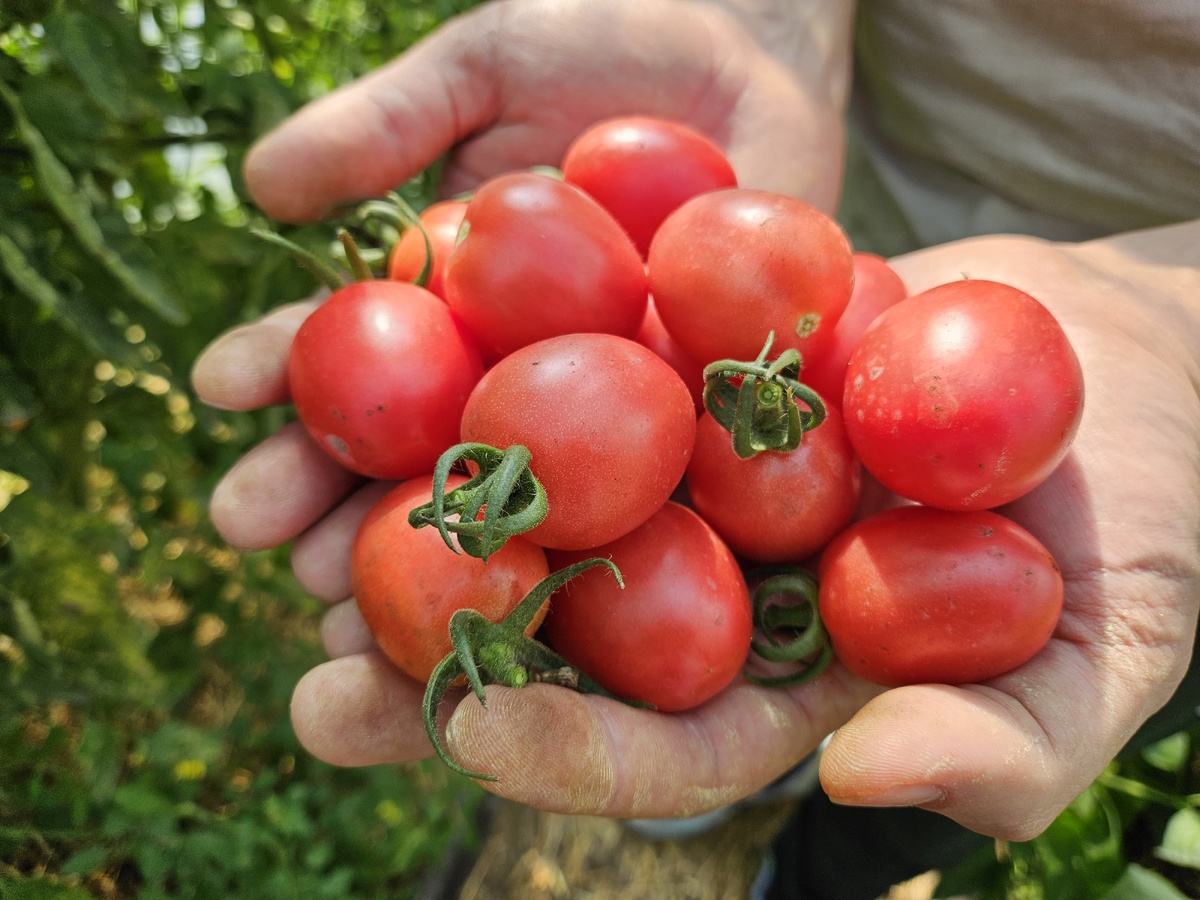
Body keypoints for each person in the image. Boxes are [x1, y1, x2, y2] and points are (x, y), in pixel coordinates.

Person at [190, 1, 1200, 896]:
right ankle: (715, 801)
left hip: (1029, 316)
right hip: (853, 219)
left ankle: (791, 869)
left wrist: (1174, 324)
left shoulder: (624, 428)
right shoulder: (604, 416)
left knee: (902, 756)